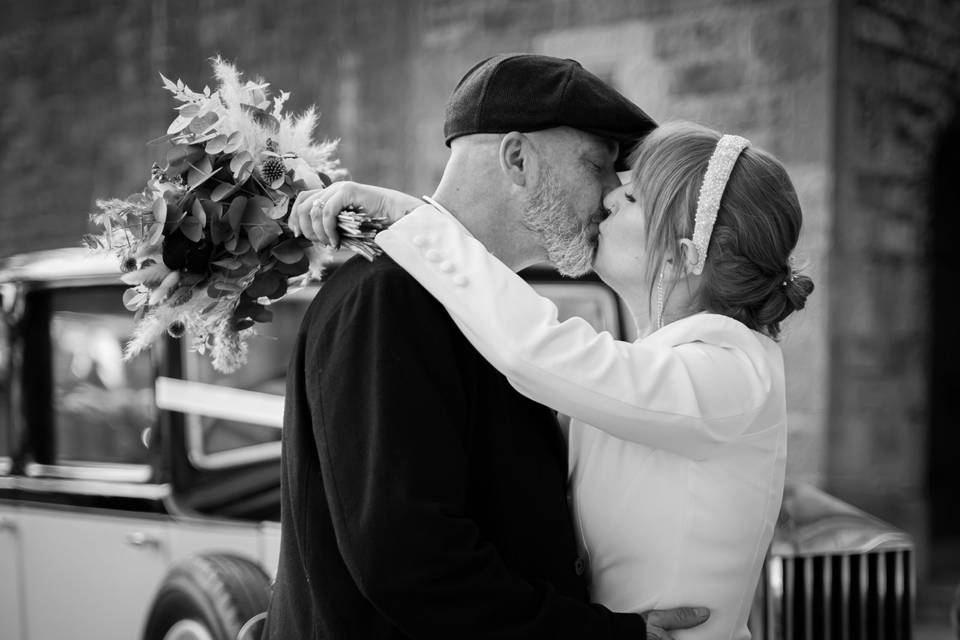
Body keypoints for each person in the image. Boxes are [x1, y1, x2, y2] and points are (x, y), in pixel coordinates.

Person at [294, 120, 814, 640]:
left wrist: (410, 219)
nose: (609, 197)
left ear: (682, 256)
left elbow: (533, 347)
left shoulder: (730, 372)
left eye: (633, 197)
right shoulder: (664, 364)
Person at [263, 54, 710, 639]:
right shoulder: (390, 298)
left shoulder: (480, 308)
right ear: (518, 159)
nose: (609, 196)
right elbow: (411, 560)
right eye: (598, 166)